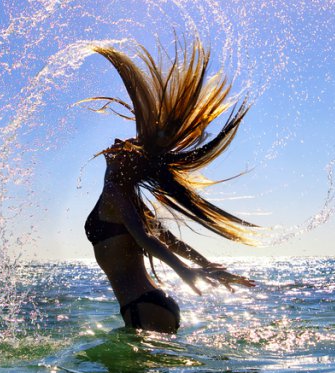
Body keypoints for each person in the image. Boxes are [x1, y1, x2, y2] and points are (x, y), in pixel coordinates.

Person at [84, 40, 265, 333]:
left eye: (125, 146)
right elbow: (168, 239)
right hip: (148, 304)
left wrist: (186, 272)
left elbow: (146, 239)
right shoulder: (127, 200)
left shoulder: (118, 195)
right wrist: (206, 267)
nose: (117, 144)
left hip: (144, 305)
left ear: (130, 165)